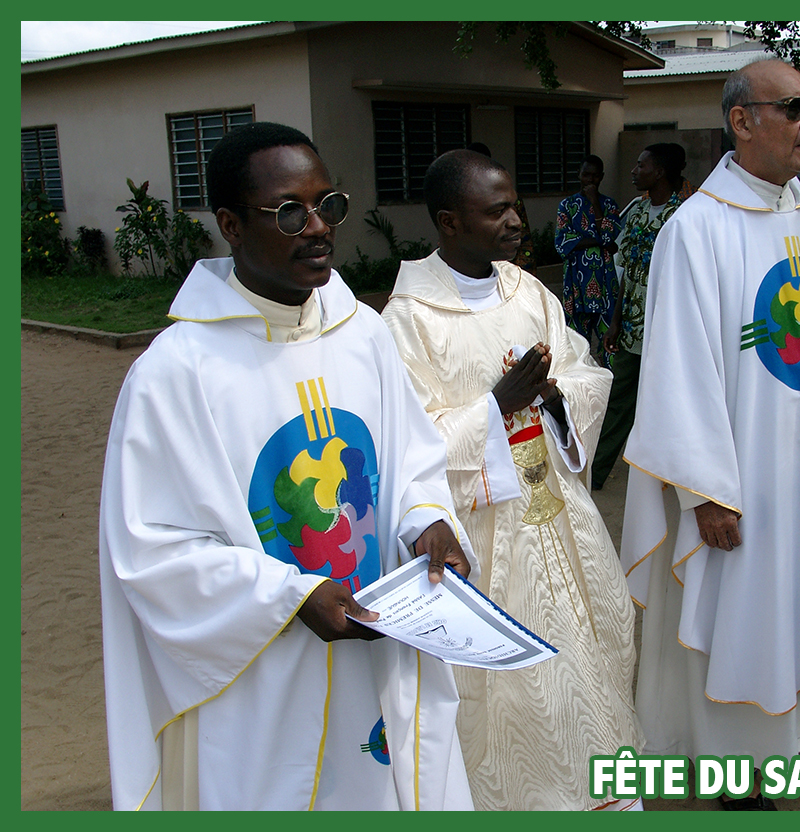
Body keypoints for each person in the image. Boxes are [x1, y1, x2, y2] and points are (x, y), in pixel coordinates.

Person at [99, 122, 476, 811]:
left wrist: (428, 522)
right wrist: (289, 595)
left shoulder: (361, 331)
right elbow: (149, 552)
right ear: (230, 226)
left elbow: (411, 462)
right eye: (290, 212)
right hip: (262, 675)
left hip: (376, 644)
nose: (318, 228)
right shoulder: (175, 373)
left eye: (327, 205)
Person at [620, 59, 800, 810]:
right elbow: (679, 369)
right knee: (743, 612)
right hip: (742, 472)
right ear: (742, 121)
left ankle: (788, 743)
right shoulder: (695, 229)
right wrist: (706, 491)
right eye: (794, 108)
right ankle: (735, 774)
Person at [381, 149, 642, 811]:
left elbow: (586, 372)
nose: (516, 222)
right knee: (509, 691)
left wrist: (554, 396)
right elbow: (404, 445)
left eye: (515, 206)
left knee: (588, 658)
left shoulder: (529, 292)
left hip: (556, 513)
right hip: (480, 536)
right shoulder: (407, 321)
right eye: (494, 210)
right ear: (448, 221)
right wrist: (493, 406)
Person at [591, 143, 692, 490]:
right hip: (633, 327)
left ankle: (676, 476)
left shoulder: (687, 215)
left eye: (640, 165)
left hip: (671, 331)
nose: (634, 171)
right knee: (618, 397)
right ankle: (595, 473)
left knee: (670, 400)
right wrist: (616, 321)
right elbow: (627, 274)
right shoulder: (636, 213)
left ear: (660, 171)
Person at [555, 155, 621, 361]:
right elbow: (562, 244)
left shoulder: (609, 205)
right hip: (576, 285)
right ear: (579, 175)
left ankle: (611, 390)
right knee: (576, 346)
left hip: (605, 286)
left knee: (609, 343)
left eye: (595, 176)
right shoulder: (567, 206)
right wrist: (601, 241)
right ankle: (578, 390)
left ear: (601, 177)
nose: (590, 180)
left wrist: (594, 203)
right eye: (586, 175)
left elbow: (611, 236)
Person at [467, 142, 536, 273]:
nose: (515, 222)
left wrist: (523, 273)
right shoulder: (460, 202)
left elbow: (524, 239)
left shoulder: (509, 198)